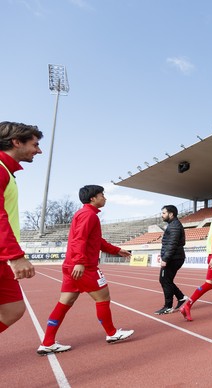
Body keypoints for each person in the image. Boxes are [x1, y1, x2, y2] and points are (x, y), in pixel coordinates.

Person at [37, 185, 134, 355]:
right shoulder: (88, 215)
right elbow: (79, 239)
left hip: (72, 266)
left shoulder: (86, 214)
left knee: (64, 303)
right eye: (102, 195)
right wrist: (80, 262)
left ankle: (47, 342)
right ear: (93, 198)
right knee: (103, 298)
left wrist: (116, 250)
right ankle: (112, 333)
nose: (105, 198)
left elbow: (96, 241)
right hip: (84, 267)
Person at [0, 122, 43, 334]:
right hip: (6, 254)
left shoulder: (7, 170)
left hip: (2, 257)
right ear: (16, 142)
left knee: (13, 309)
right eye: (35, 144)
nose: (39, 150)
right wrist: (15, 256)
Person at [155, 205, 189, 315]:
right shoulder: (172, 225)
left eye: (164, 213)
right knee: (165, 280)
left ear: (171, 214)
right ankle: (181, 297)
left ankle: (168, 306)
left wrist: (165, 258)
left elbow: (172, 244)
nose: (162, 215)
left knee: (164, 280)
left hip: (174, 258)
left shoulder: (174, 226)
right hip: (175, 257)